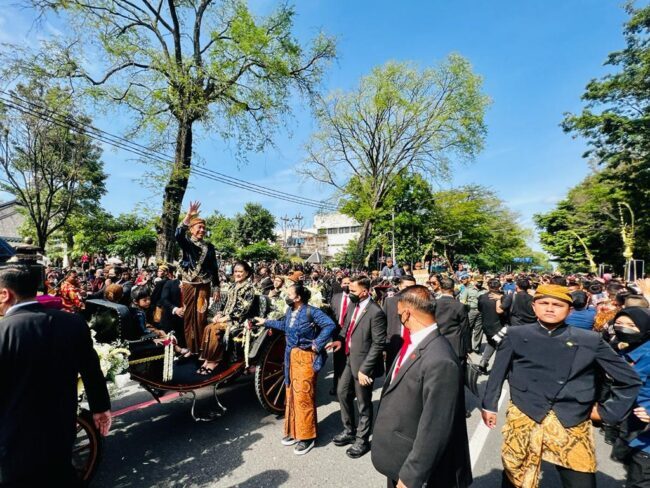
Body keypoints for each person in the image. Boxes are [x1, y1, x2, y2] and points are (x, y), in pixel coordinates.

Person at [482, 284, 641, 488]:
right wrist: (489, 405)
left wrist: (607, 412)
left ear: (569, 309)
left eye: (557, 304)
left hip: (571, 418)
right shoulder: (514, 334)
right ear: (533, 306)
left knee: (581, 480)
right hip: (525, 413)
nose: (550, 308)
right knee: (516, 475)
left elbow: (629, 379)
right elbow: (498, 373)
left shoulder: (589, 339)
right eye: (544, 303)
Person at [0, 265, 111, 486]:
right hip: (60, 425)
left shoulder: (4, 331)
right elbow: (91, 369)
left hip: (13, 434)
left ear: (5, 293)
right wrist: (100, 408)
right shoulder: (72, 322)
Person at [372, 285, 472, 488]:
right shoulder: (415, 343)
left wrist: (412, 476)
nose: (398, 316)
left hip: (415, 470)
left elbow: (436, 426)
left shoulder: (440, 358)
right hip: (399, 455)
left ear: (407, 313)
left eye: (399, 312)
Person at [255, 284, 336, 455]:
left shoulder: (311, 311)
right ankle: (294, 431)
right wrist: (266, 322)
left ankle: (307, 437)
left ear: (298, 297)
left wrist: (317, 344)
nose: (286, 295)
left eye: (290, 293)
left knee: (303, 396)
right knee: (291, 394)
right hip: (290, 357)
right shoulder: (291, 311)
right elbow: (285, 326)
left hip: (306, 357)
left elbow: (329, 325)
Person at [327, 275, 387, 459]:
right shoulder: (353, 304)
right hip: (347, 358)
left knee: (363, 402)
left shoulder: (376, 312)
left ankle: (362, 440)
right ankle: (349, 430)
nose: (348, 293)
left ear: (365, 292)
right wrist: (339, 341)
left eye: (353, 290)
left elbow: (378, 344)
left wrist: (365, 369)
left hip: (363, 364)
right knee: (342, 392)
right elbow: (346, 329)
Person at [610, 307, 650, 487]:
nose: (623, 328)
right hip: (630, 423)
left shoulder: (647, 353)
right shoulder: (626, 348)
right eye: (619, 323)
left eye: (631, 325)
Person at [175, 201, 221, 354]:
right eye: (199, 227)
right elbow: (178, 234)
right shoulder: (187, 243)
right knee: (188, 315)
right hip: (189, 283)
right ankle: (190, 347)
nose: (202, 230)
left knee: (201, 315)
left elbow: (214, 267)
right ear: (191, 230)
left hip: (204, 284)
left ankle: (202, 348)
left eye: (203, 228)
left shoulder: (210, 247)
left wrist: (217, 287)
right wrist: (188, 216)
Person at [198, 261, 255, 375]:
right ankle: (207, 359)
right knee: (208, 327)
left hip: (238, 321)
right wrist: (219, 314)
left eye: (240, 271)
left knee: (215, 329)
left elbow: (243, 309)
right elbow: (224, 303)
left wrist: (226, 318)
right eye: (235, 271)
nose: (237, 274)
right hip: (225, 318)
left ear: (247, 273)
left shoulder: (249, 288)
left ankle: (214, 361)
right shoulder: (232, 285)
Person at [383, 275, 417, 372]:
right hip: (394, 343)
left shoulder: (420, 303)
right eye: (406, 287)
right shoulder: (390, 301)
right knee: (392, 373)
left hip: (413, 343)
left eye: (412, 287)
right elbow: (383, 323)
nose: (409, 290)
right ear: (399, 286)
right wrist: (384, 347)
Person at [434, 277, 470, 361]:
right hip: (456, 346)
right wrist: (468, 348)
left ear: (440, 288)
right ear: (453, 288)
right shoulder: (460, 306)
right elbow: (465, 328)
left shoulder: (434, 304)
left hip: (438, 344)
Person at [477, 278, 507, 374]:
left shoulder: (482, 297)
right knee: (502, 348)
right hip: (500, 327)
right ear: (499, 287)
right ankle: (499, 370)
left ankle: (483, 362)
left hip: (487, 326)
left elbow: (480, 309)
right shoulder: (503, 298)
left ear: (488, 286)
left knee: (491, 343)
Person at [330, 275, 352, 395]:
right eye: (344, 283)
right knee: (337, 362)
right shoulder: (335, 297)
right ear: (341, 284)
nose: (346, 285)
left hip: (350, 334)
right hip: (337, 334)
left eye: (349, 283)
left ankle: (349, 388)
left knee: (349, 361)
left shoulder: (355, 298)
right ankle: (336, 386)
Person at [459, 275, 485, 353]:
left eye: (481, 281)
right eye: (478, 281)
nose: (480, 283)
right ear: (474, 281)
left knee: (479, 330)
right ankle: (467, 347)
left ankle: (476, 348)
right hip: (471, 311)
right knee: (468, 329)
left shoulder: (484, 291)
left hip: (481, 312)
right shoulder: (468, 290)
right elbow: (462, 301)